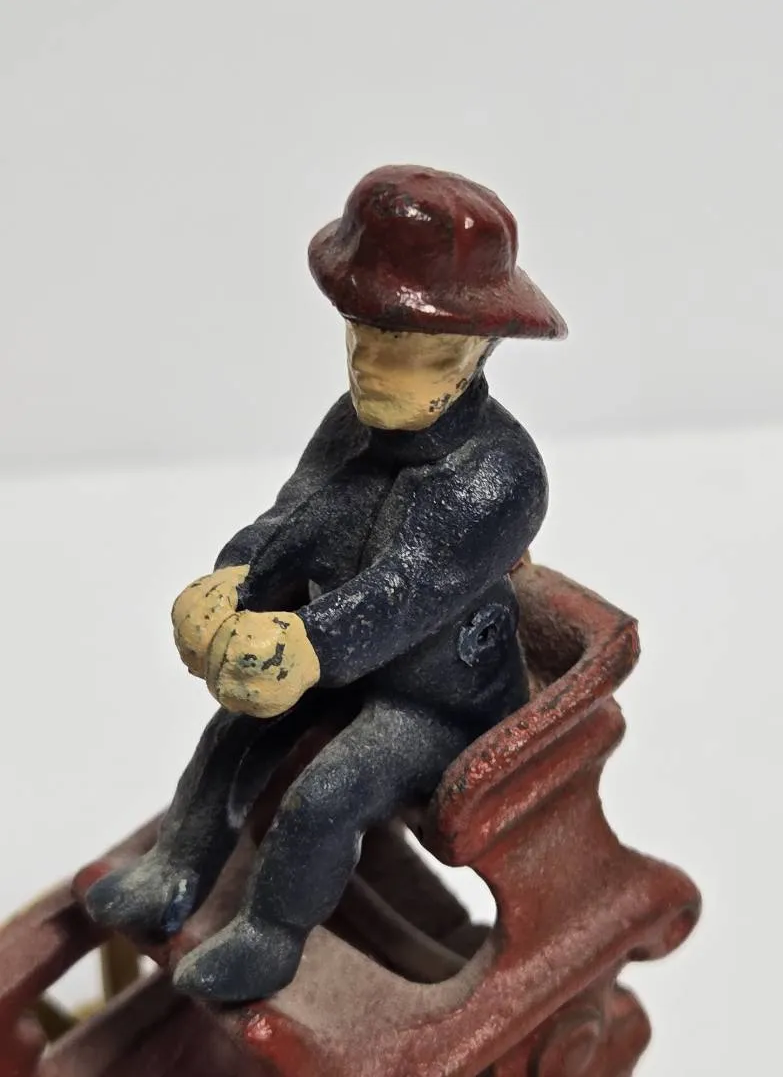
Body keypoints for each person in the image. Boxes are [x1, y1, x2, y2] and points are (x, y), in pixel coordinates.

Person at [85, 164, 567, 1003]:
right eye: (366, 337)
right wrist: (236, 578)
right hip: (335, 660)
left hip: (438, 704)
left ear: (478, 348)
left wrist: (306, 644)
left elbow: (404, 590)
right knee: (233, 733)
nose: (375, 367)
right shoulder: (353, 424)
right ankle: (175, 869)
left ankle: (270, 937)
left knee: (326, 795)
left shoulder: (500, 474)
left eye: (414, 350)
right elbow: (298, 514)